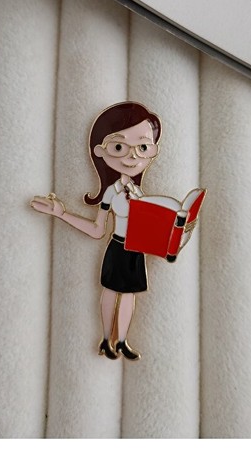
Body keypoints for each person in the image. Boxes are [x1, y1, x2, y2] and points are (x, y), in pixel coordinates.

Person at [30, 102, 162, 361]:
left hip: (136, 251)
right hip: (117, 247)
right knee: (111, 292)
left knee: (129, 295)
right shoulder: (112, 193)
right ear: (101, 151)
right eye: (119, 147)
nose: (132, 156)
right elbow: (96, 229)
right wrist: (61, 214)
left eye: (143, 147)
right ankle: (105, 339)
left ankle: (122, 341)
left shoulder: (141, 194)